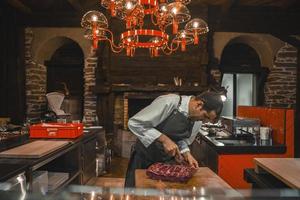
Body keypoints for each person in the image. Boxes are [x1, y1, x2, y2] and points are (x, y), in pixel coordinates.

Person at [124, 91, 224, 187]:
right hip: (144, 158)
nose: (203, 121)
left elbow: (182, 139)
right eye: (205, 116)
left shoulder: (197, 121)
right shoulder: (170, 102)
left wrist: (186, 153)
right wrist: (165, 139)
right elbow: (135, 123)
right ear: (199, 105)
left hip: (166, 165)